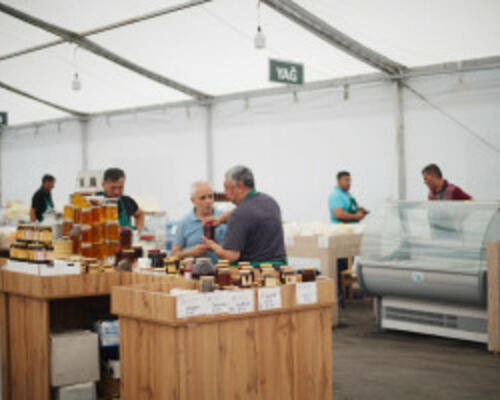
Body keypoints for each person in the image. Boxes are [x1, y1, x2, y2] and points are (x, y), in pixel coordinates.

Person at [203, 165, 286, 265]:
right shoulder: (270, 202)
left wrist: (212, 245)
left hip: (253, 271)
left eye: (226, 188)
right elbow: (248, 211)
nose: (225, 193)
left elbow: (232, 255)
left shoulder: (239, 215)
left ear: (239, 187)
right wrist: (220, 219)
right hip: (280, 268)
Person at [171, 181, 227, 263]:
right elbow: (173, 255)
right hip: (194, 269)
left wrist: (217, 248)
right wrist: (190, 253)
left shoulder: (224, 219)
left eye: (210, 196)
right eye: (203, 198)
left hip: (221, 269)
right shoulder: (184, 223)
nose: (208, 201)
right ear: (193, 200)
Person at [99, 168, 145, 232]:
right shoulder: (95, 201)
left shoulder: (127, 201)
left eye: (120, 187)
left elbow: (140, 214)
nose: (116, 192)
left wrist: (137, 232)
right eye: (113, 188)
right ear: (103, 185)